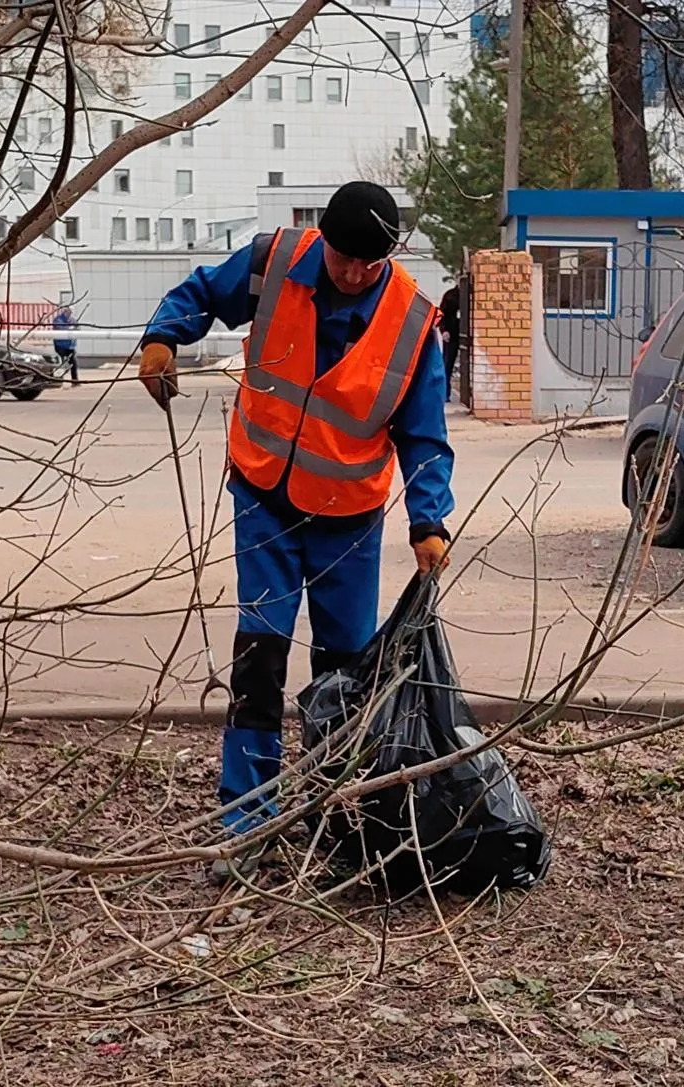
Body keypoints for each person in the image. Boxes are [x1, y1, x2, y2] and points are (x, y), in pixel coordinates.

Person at [133, 181, 454, 876]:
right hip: (264, 496)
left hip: (349, 518)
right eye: (345, 260)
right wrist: (162, 336)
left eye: (370, 265)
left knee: (343, 675)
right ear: (326, 242)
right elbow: (199, 294)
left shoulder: (411, 321)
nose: (354, 275)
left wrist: (429, 518)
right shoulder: (274, 262)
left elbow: (424, 435)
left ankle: (334, 817)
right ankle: (245, 827)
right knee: (259, 659)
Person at [438, 276, 461, 394]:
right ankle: (445, 392)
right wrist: (444, 331)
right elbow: (441, 314)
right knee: (447, 364)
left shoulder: (472, 294)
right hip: (451, 334)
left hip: (467, 334)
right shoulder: (450, 295)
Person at [52, 304, 78, 381]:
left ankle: (75, 380)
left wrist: (75, 327)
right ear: (65, 311)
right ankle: (58, 379)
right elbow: (59, 328)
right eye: (68, 312)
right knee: (61, 364)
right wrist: (69, 328)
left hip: (70, 346)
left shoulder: (73, 320)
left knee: (73, 363)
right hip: (60, 345)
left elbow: (78, 328)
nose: (70, 313)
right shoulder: (58, 319)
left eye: (71, 312)